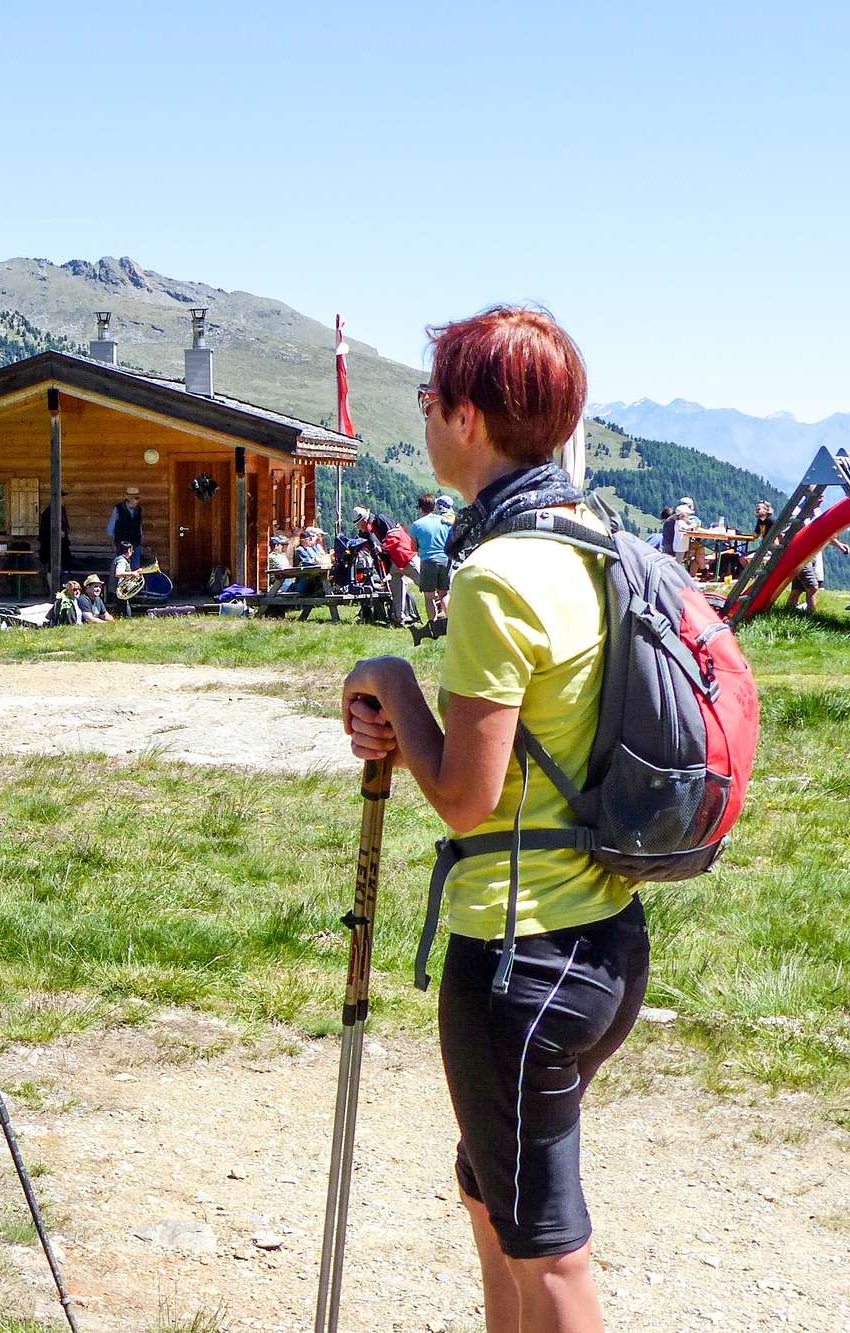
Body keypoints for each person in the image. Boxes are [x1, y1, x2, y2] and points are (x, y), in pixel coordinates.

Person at [341, 307, 646, 1333]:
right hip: (606, 938)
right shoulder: (595, 545)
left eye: (431, 401)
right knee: (493, 1193)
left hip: (518, 958)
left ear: (467, 418)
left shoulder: (498, 573)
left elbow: (466, 797)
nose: (426, 418)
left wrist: (393, 680)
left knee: (547, 1245)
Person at [409, 493, 456, 620]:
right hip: (445, 560)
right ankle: (451, 621)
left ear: (420, 508)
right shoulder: (444, 521)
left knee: (429, 596)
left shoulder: (416, 525)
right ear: (434, 507)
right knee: (444, 594)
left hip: (428, 561)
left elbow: (413, 548)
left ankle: (432, 623)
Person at [107, 485, 144, 556]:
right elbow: (110, 527)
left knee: (135, 562)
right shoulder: (118, 509)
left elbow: (139, 526)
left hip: (135, 543)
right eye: (136, 498)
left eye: (138, 498)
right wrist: (112, 543)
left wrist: (141, 541)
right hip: (122, 545)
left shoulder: (138, 509)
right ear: (130, 498)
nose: (138, 501)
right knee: (122, 562)